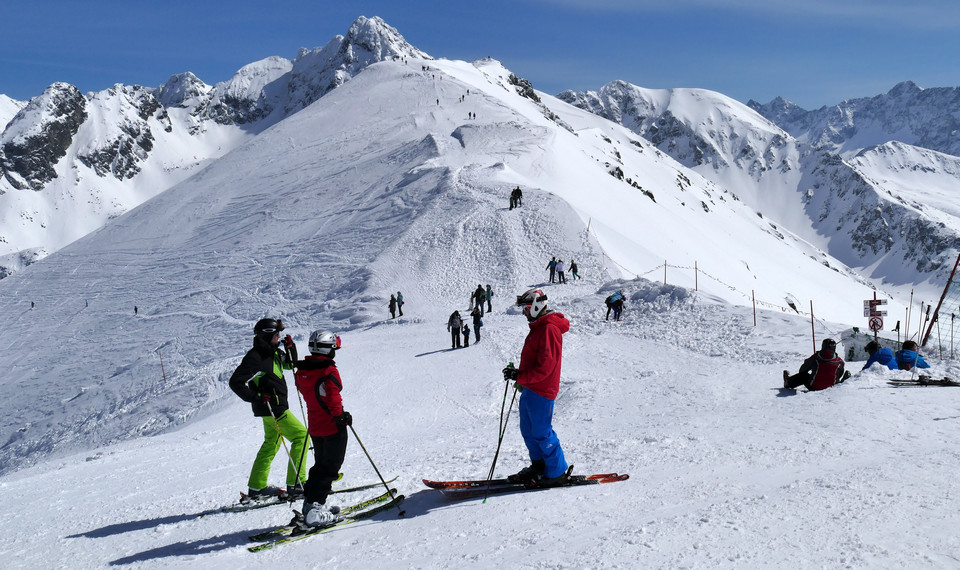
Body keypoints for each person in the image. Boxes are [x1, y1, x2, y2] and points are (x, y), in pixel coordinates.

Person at [229, 318, 309, 501]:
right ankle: (296, 484)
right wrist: (256, 398)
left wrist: (291, 348)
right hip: (274, 409)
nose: (279, 337)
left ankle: (257, 488)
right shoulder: (256, 357)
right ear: (267, 336)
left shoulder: (273, 352)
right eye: (276, 335)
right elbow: (236, 382)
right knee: (301, 437)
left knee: (271, 444)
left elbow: (290, 364)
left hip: (271, 410)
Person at [502, 288, 571, 487]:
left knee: (541, 431)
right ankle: (539, 465)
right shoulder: (538, 327)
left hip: (542, 389)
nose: (524, 312)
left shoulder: (549, 329)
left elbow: (546, 367)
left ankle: (557, 471)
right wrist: (518, 375)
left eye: (525, 308)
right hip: (531, 387)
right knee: (528, 430)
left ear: (536, 306)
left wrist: (521, 376)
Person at [294, 330, 352, 528]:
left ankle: (310, 506)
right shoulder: (328, 370)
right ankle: (315, 511)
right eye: (334, 347)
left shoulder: (302, 370)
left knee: (320, 465)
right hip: (332, 425)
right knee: (330, 467)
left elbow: (309, 392)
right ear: (328, 348)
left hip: (316, 426)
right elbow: (333, 396)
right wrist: (340, 416)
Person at [783, 338, 847, 391]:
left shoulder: (816, 358)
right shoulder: (840, 362)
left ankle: (788, 382)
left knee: (803, 375)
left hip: (814, 387)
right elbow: (839, 374)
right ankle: (843, 382)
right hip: (831, 388)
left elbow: (802, 370)